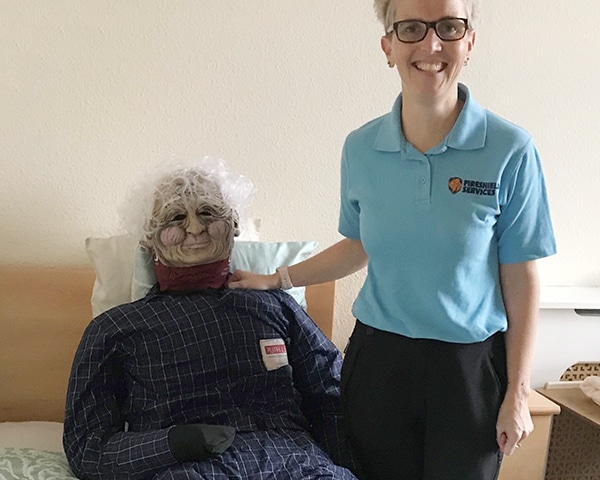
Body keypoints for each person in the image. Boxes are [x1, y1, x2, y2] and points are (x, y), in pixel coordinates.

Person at [228, 0, 557, 479]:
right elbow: (360, 244)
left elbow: (522, 276)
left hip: (469, 369)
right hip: (380, 362)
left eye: (448, 26)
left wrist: (518, 393)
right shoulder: (361, 148)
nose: (430, 43)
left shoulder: (510, 150)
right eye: (411, 29)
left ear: (469, 42)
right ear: (388, 46)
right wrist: (277, 279)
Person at [63, 160, 357, 480]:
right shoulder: (115, 329)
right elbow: (87, 447)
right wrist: (172, 444)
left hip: (297, 464)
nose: (194, 228)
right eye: (176, 217)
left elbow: (333, 402)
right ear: (149, 237)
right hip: (185, 471)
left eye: (208, 213)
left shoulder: (277, 308)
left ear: (233, 224)